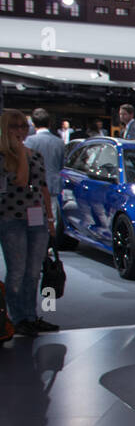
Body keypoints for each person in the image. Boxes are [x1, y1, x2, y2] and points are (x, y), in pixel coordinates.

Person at [1, 108, 58, 335]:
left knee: (34, 271)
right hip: (11, 219)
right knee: (16, 271)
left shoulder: (35, 155)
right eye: (14, 127)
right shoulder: (5, 156)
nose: (19, 131)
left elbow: (42, 187)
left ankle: (31, 315)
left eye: (23, 127)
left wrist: (50, 218)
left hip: (37, 220)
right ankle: (17, 318)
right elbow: (21, 180)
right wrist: (20, 153)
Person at [24, 108, 65, 189]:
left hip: (35, 187)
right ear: (49, 123)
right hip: (54, 185)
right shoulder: (60, 142)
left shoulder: (29, 141)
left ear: (33, 124)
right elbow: (60, 166)